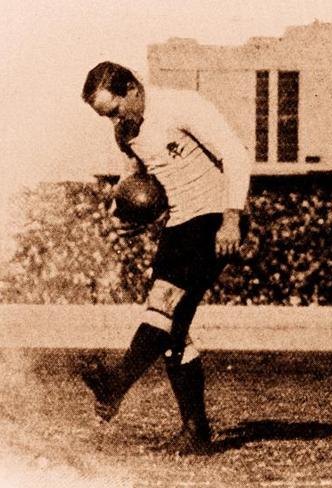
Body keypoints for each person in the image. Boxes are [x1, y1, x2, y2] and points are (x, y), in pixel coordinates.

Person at [80, 61, 252, 455]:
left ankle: (116, 383)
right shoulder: (125, 131)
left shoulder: (182, 105)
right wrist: (125, 213)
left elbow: (235, 153)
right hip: (177, 223)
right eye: (104, 116)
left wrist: (232, 218)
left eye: (114, 110)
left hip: (212, 215)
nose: (113, 121)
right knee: (174, 329)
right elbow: (137, 180)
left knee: (166, 302)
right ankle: (196, 432)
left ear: (133, 89)